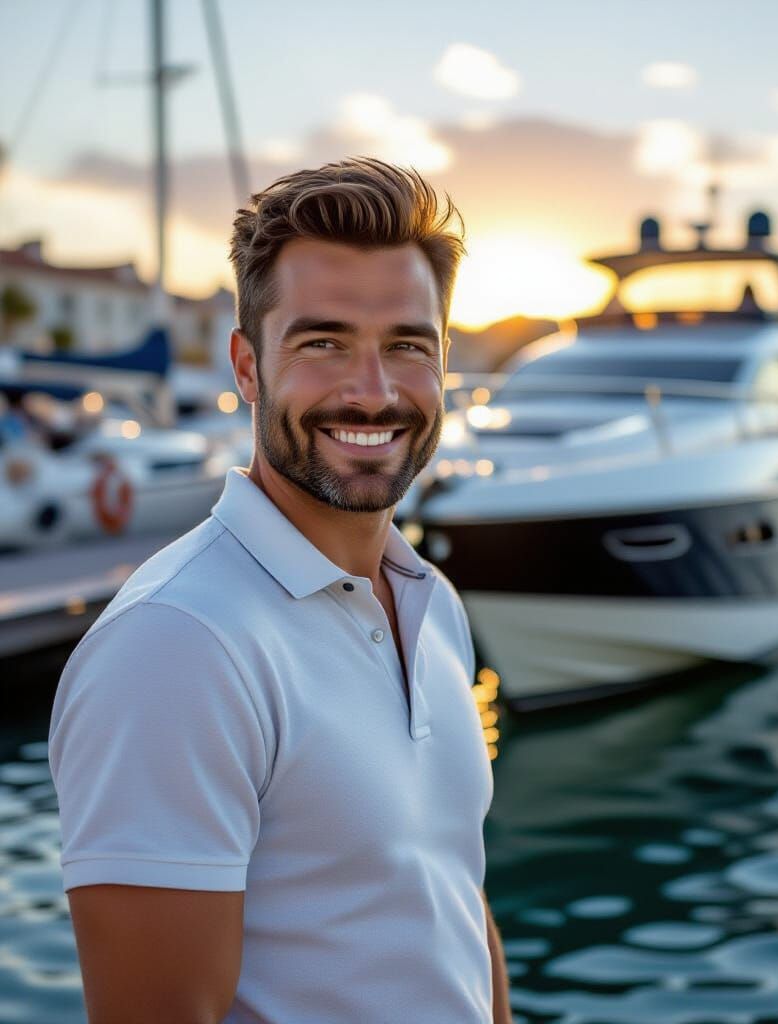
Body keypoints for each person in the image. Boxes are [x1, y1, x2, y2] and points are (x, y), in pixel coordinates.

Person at [49, 158, 511, 1024]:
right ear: (248, 366)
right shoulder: (176, 646)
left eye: (408, 345)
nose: (372, 392)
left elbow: (450, 891)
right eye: (323, 342)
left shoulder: (431, 600)